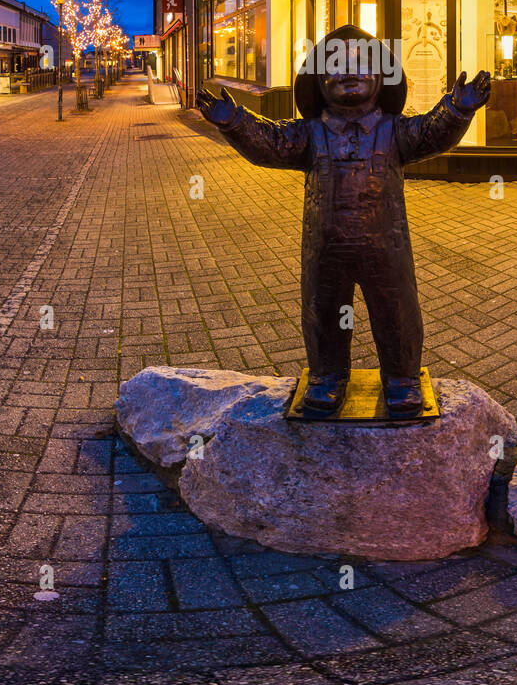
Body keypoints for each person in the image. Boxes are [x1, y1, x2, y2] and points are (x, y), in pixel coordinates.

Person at [198, 25, 490, 420]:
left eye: (362, 64)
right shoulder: (309, 134)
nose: (348, 71)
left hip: (386, 247)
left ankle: (402, 378)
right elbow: (269, 142)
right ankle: (327, 377)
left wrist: (456, 109)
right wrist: (234, 121)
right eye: (334, 66)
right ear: (317, 83)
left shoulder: (394, 132)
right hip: (325, 248)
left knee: (396, 311)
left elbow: (431, 133)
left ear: (382, 79)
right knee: (323, 312)